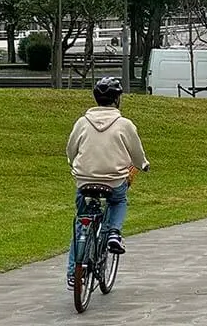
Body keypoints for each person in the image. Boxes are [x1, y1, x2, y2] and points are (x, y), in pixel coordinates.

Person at [65, 77, 149, 289]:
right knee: (119, 201)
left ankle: (74, 274)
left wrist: (73, 163)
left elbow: (71, 149)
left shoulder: (82, 122)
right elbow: (136, 154)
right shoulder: (124, 124)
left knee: (81, 220)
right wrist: (143, 165)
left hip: (84, 180)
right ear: (117, 99)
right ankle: (113, 232)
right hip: (113, 180)